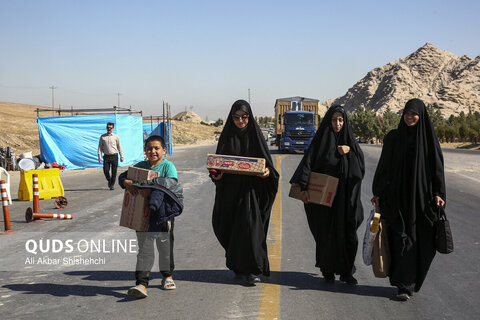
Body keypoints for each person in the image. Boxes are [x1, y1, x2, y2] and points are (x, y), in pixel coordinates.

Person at [371, 98, 446, 301]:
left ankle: (410, 281)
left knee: (420, 240)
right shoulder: (394, 138)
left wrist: (439, 193)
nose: (410, 117)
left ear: (420, 116)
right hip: (396, 198)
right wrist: (378, 191)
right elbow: (384, 166)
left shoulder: (429, 140)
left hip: (421, 200)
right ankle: (403, 285)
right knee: (398, 237)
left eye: (414, 114)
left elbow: (437, 169)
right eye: (407, 113)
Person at [290, 105, 365, 285]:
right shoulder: (320, 142)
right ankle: (328, 270)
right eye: (334, 120)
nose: (337, 124)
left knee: (348, 234)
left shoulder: (351, 144)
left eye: (341, 120)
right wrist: (302, 187)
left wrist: (349, 154)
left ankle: (346, 272)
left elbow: (360, 171)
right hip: (324, 201)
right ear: (328, 121)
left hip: (345, 200)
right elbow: (307, 164)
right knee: (326, 235)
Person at [210, 99, 279, 285]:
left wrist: (266, 173)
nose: (240, 121)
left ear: (250, 117)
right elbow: (216, 167)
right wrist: (216, 176)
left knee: (251, 230)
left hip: (252, 193)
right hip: (231, 193)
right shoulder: (227, 138)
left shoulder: (255, 137)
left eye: (244, 117)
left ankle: (253, 268)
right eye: (236, 117)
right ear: (231, 118)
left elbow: (270, 168)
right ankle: (239, 267)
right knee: (233, 230)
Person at [118, 135, 182, 299]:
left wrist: (151, 188)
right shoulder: (141, 166)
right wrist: (126, 182)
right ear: (145, 151)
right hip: (143, 216)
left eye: (156, 148)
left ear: (164, 150)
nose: (152, 151)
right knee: (144, 249)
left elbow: (172, 184)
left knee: (164, 247)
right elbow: (123, 176)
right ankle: (141, 284)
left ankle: (167, 276)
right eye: (149, 148)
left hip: (162, 216)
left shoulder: (168, 167)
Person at [98, 122, 124, 190]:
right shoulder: (103, 137)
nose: (109, 129)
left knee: (114, 172)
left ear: (113, 128)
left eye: (110, 128)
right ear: (106, 128)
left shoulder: (116, 137)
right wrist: (99, 156)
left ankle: (112, 185)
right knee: (106, 170)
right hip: (106, 156)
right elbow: (100, 147)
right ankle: (109, 180)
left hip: (114, 156)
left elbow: (119, 146)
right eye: (108, 127)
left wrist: (122, 156)